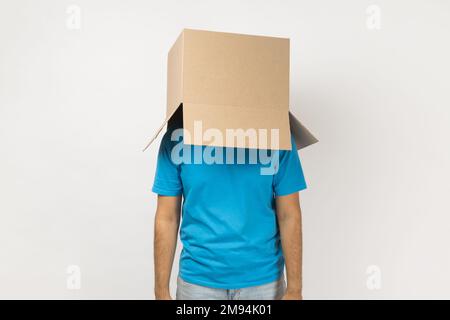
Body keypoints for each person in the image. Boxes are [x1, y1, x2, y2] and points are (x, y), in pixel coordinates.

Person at [152, 122, 307, 300]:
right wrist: (161, 291)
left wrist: (295, 290)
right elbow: (167, 217)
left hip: (264, 282)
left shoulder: (277, 135)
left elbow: (289, 215)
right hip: (198, 283)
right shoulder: (177, 137)